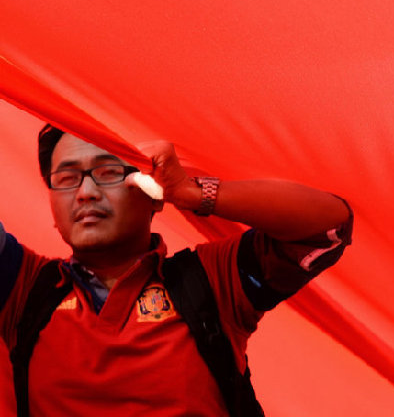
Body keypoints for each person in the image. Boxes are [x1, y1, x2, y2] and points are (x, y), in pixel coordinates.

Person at [0, 126, 352, 415]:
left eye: (107, 172)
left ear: (153, 193)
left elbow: (328, 226)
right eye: (67, 178)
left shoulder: (211, 280)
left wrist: (191, 192)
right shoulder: (23, 289)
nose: (86, 192)